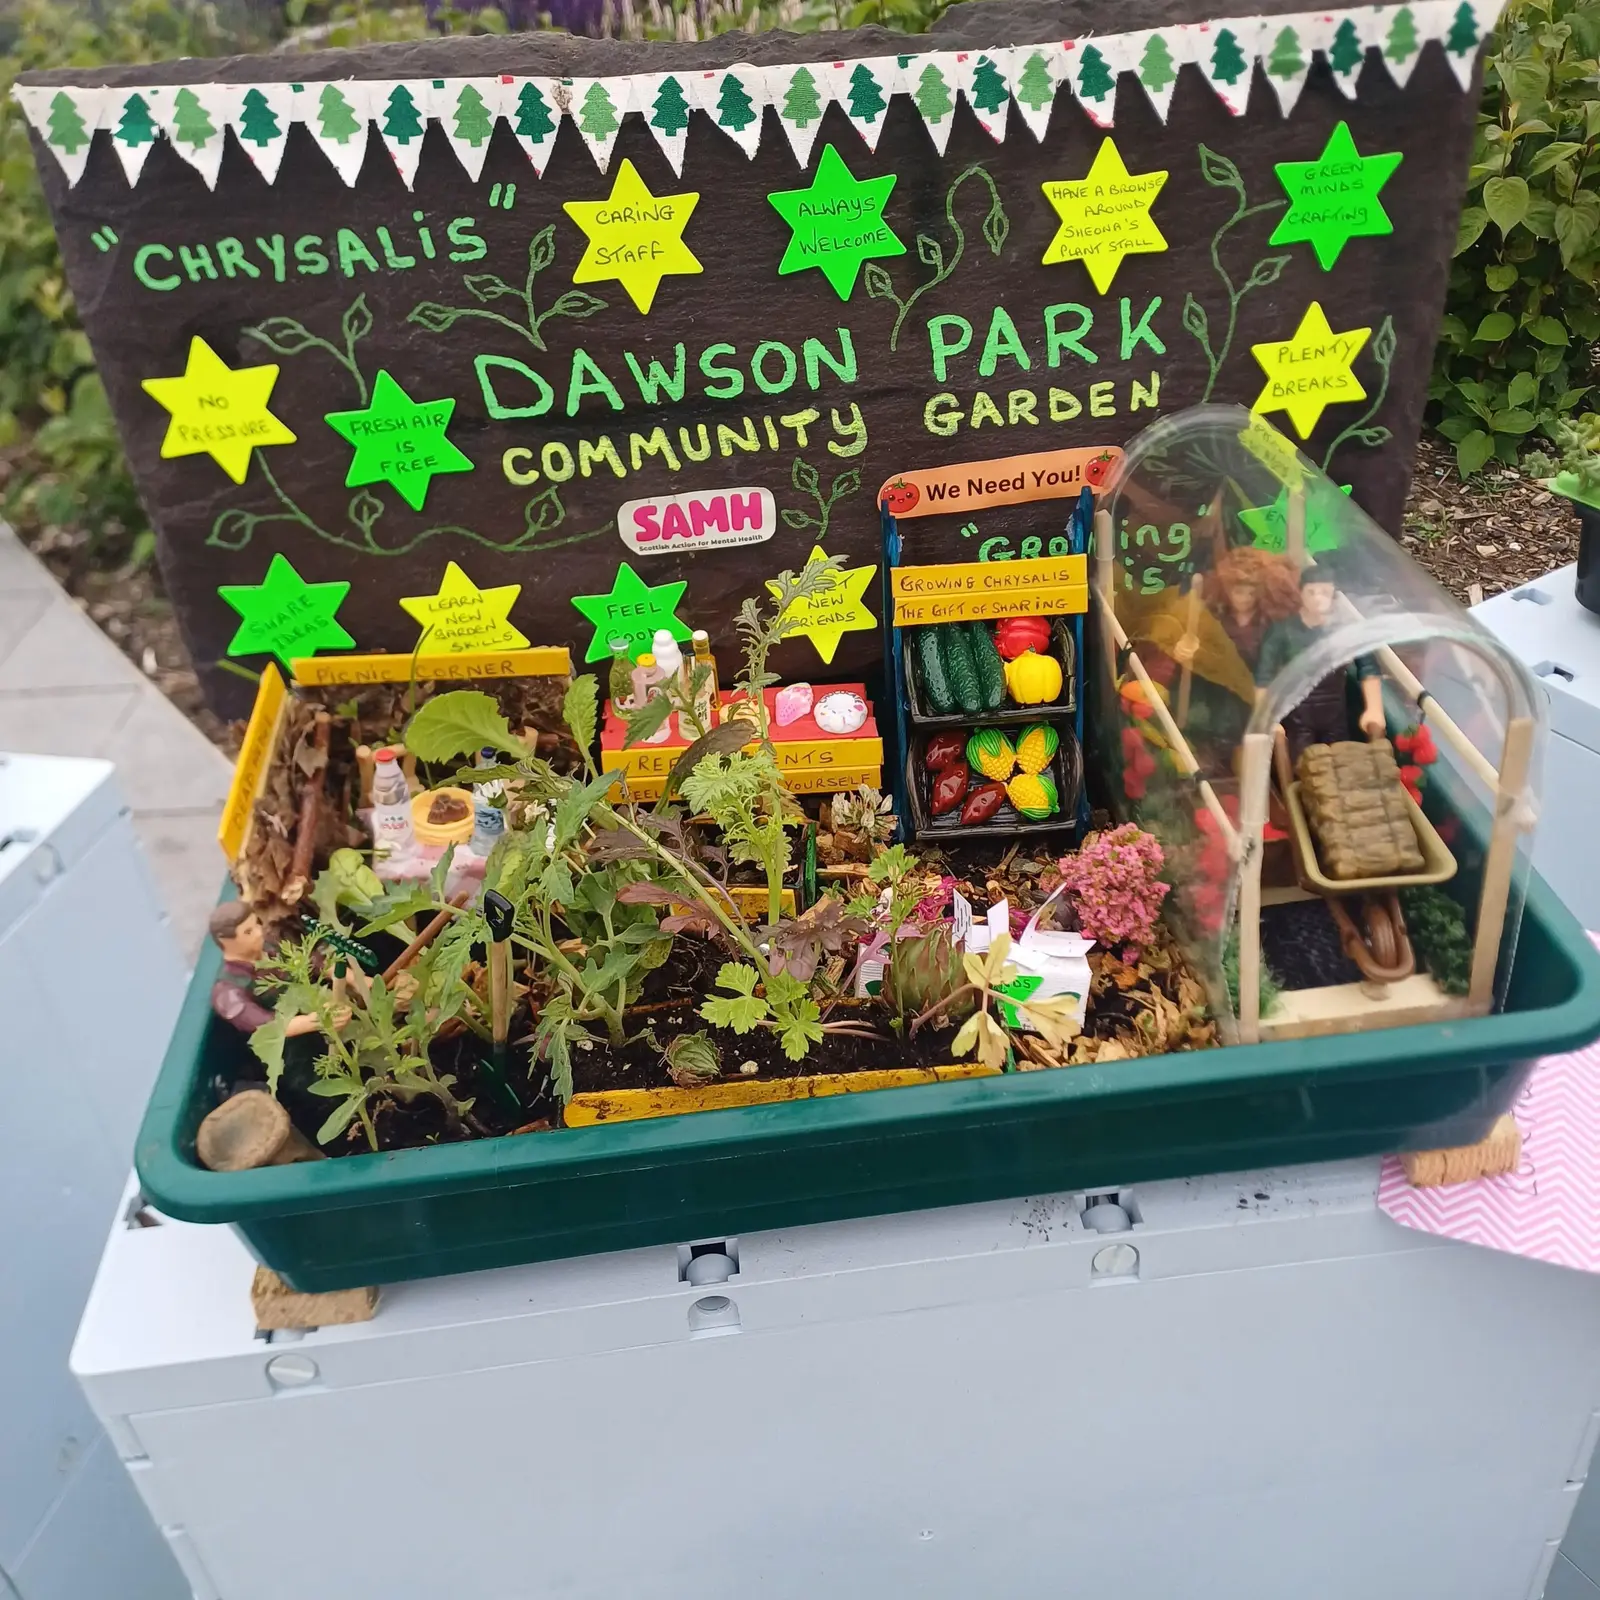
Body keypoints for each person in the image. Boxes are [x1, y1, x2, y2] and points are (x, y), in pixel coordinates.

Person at [1255, 566, 1385, 761]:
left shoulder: (1345, 631)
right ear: (1301, 593)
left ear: (1333, 595)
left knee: (1342, 764)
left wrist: (1374, 708)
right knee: (1303, 765)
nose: (1317, 598)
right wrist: (1267, 718)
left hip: (1335, 717)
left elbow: (1368, 667)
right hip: (1297, 717)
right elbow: (1263, 678)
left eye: (1324, 592)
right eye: (1311, 592)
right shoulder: (1282, 632)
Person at [208, 901, 274, 1033]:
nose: (259, 933)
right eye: (248, 932)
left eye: (257, 923)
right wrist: (314, 1020)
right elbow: (269, 1027)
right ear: (226, 941)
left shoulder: (271, 945)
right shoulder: (226, 990)